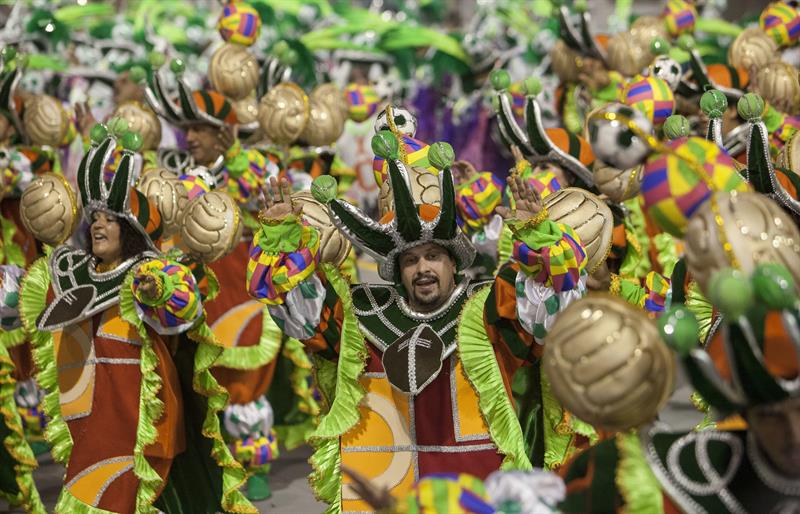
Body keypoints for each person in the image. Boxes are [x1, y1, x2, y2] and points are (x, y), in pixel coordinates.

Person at [246, 130, 591, 512]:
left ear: (453, 262)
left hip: (474, 496)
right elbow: (295, 307)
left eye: (433, 256)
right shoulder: (362, 316)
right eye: (410, 260)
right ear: (397, 270)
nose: (422, 268)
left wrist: (538, 236)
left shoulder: (487, 310)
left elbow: (553, 300)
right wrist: (281, 238)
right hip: (385, 495)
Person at [17, 125, 254, 513]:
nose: (97, 225)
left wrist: (155, 290)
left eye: (110, 219)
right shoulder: (71, 272)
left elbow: (183, 306)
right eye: (94, 217)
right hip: (89, 414)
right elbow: (29, 303)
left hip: (138, 420)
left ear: (130, 230)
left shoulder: (150, 272)